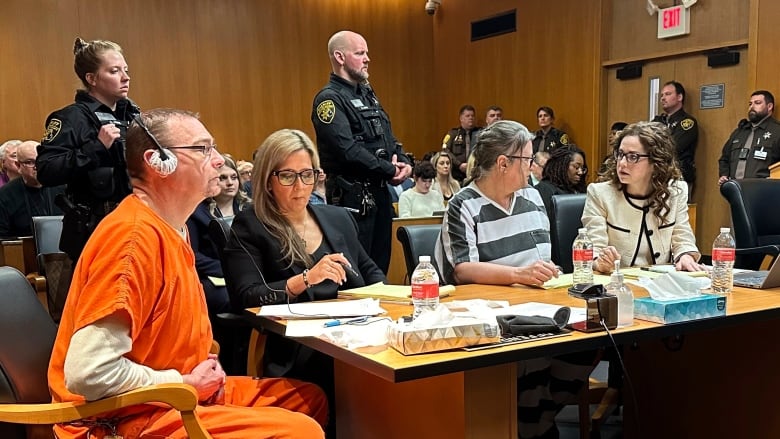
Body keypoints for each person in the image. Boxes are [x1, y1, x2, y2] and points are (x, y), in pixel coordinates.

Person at [47, 109, 327, 438]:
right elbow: (89, 374)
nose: (219, 160)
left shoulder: (173, 227)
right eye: (202, 149)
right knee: (299, 431)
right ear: (157, 162)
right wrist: (185, 382)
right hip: (120, 417)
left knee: (308, 400)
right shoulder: (132, 240)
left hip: (172, 396)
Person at [434, 120, 591, 439]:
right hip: (491, 314)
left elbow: (543, 259)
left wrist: (546, 272)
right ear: (503, 163)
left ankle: (538, 418)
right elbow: (463, 269)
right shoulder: (463, 204)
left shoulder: (532, 198)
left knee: (590, 340)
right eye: (528, 159)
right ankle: (538, 427)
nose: (534, 166)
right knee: (531, 358)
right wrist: (519, 275)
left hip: (540, 306)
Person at [311, 30, 412, 274]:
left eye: (366, 53)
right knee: (357, 271)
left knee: (380, 267)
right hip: (352, 197)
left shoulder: (368, 95)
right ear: (340, 56)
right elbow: (347, 150)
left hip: (379, 194)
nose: (367, 58)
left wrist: (405, 162)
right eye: (360, 53)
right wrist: (389, 170)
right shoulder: (329, 100)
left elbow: (388, 139)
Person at [37, 38, 141, 262]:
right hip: (95, 228)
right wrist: (96, 148)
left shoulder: (132, 116)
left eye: (125, 70)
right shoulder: (71, 118)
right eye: (114, 71)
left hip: (134, 221)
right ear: (91, 79)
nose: (126, 77)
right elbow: (45, 170)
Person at [583, 121, 702, 273]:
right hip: (618, 283)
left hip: (660, 284)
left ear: (656, 162)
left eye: (633, 157)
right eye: (620, 155)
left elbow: (682, 235)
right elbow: (593, 247)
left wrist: (685, 255)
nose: (622, 164)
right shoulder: (600, 194)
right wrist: (599, 262)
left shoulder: (676, 191)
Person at [186, 155, 251, 315]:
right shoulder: (195, 213)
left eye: (234, 177)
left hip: (250, 274)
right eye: (223, 178)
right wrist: (226, 269)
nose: (230, 183)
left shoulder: (250, 209)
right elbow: (192, 254)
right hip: (215, 275)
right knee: (226, 299)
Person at [0, 141, 65, 238]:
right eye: (30, 162)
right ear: (18, 166)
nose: (37, 166)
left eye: (40, 160)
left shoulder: (62, 186)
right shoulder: (5, 195)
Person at [718, 90, 780, 185]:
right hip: (736, 189)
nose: (752, 107)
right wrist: (724, 174)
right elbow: (724, 158)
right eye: (750, 104)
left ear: (769, 106)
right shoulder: (740, 131)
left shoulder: (777, 131)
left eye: (757, 103)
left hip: (765, 190)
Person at [652, 81, 698, 198]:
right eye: (662, 95)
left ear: (679, 97)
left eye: (667, 94)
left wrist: (655, 145)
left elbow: (672, 147)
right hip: (656, 176)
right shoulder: (657, 121)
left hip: (679, 177)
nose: (663, 98)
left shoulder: (687, 122)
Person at [534, 145, 587, 218]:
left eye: (582, 168)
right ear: (562, 165)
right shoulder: (545, 189)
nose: (580, 172)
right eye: (576, 167)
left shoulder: (579, 190)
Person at [443, 104, 482, 182]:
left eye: (472, 116)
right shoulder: (453, 133)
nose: (471, 118)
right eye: (467, 116)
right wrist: (459, 165)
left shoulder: (479, 133)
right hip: (457, 175)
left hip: (475, 174)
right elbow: (445, 150)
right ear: (461, 118)